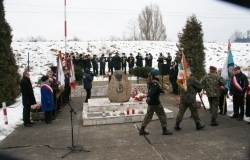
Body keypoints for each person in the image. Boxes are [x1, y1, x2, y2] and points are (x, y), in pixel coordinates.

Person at [139, 69, 173, 135]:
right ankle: (164, 129)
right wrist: (149, 96)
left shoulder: (151, 82)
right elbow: (152, 92)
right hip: (155, 102)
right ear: (155, 75)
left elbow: (153, 91)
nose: (159, 76)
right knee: (162, 115)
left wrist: (160, 90)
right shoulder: (155, 83)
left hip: (151, 103)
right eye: (158, 75)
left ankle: (142, 129)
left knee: (148, 116)